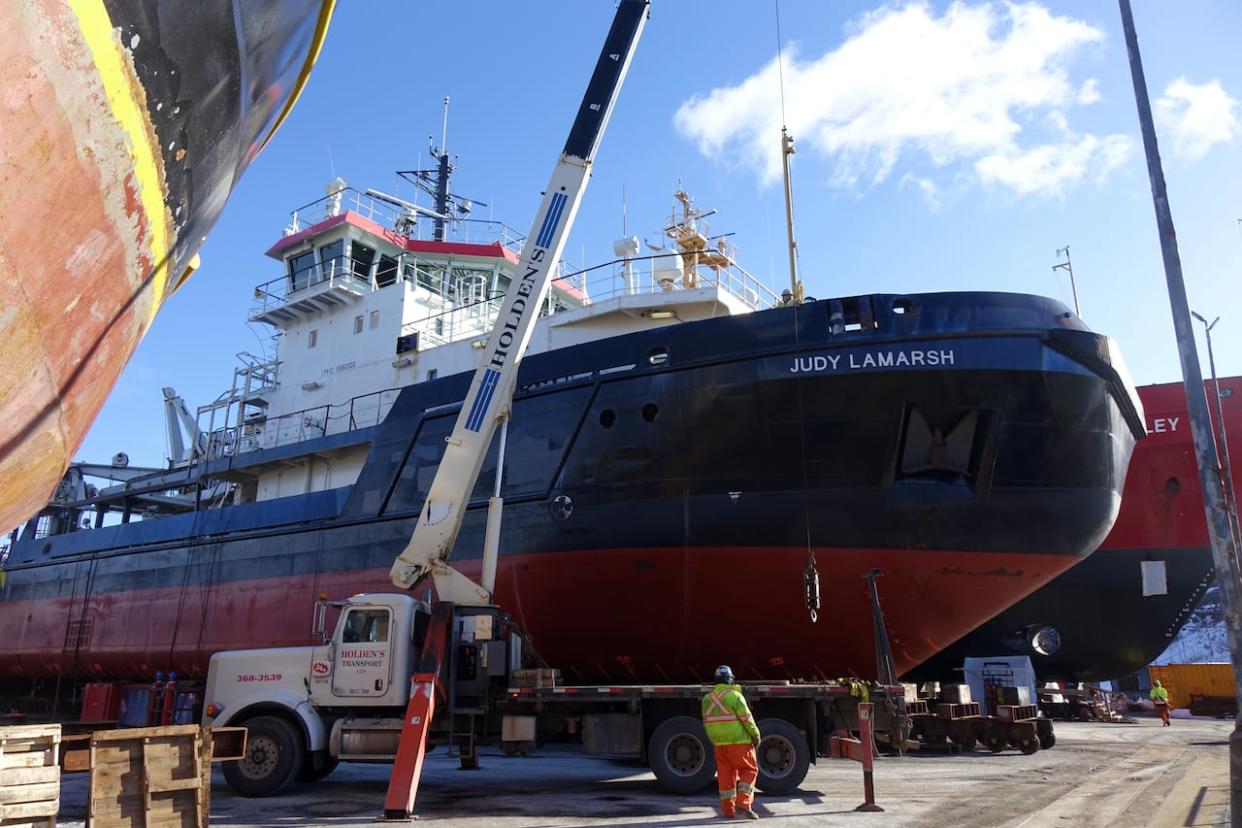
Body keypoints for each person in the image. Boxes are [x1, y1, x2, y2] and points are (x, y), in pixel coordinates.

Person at [702, 665, 761, 820]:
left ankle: (728, 811)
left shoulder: (707, 699)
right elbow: (747, 719)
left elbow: (706, 723)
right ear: (730, 679)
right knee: (750, 770)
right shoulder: (735, 696)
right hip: (740, 742)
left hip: (720, 745)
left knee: (725, 778)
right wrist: (756, 736)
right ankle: (743, 803)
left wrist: (715, 740)